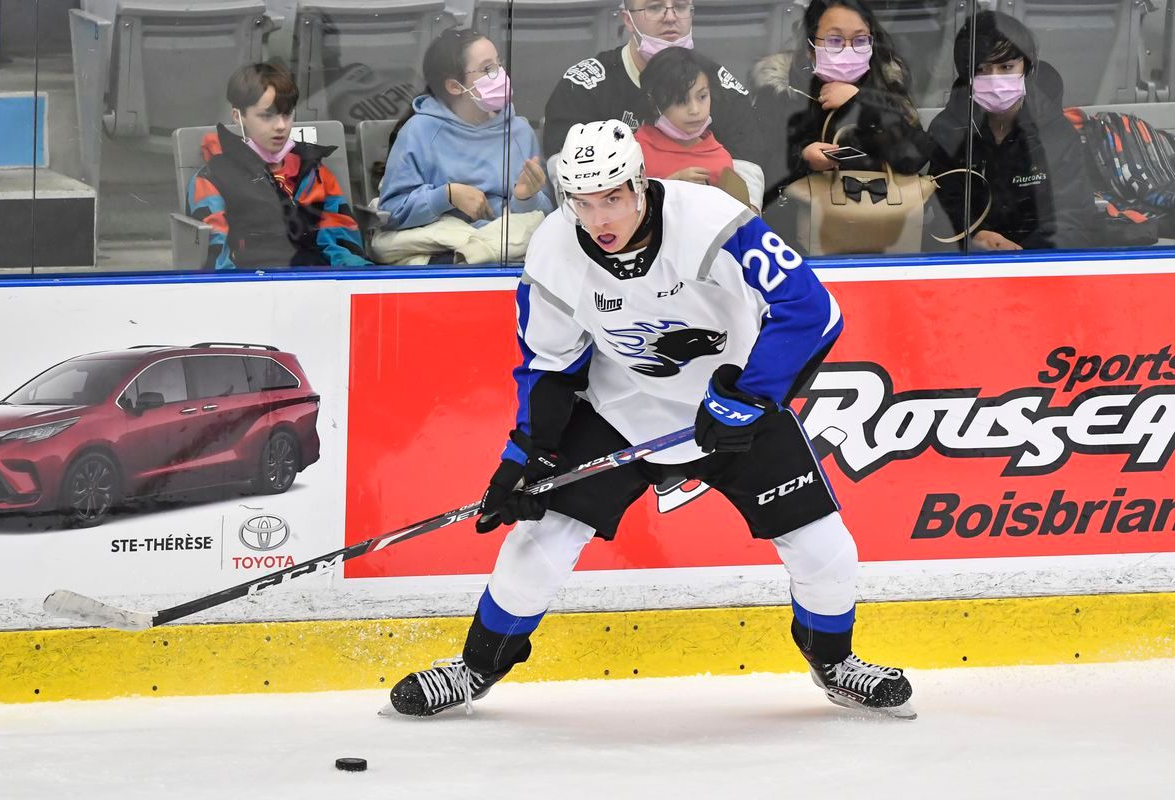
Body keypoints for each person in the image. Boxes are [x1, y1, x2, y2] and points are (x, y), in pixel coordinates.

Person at [387, 119, 915, 720]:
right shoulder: (555, 249)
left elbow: (810, 309)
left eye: (613, 197)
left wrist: (747, 398)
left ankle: (835, 663)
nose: (601, 218)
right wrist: (524, 455)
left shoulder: (709, 219)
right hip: (623, 407)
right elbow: (547, 364)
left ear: (640, 183)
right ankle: (475, 668)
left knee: (825, 548)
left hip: (736, 401)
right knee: (539, 540)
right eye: (583, 203)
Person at [543, 1, 766, 205]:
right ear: (627, 19)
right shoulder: (585, 86)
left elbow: (749, 170)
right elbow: (568, 181)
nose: (670, 17)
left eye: (679, 6)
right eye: (654, 7)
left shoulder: (717, 85)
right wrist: (660, 194)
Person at [373, 28, 553, 265]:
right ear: (455, 86)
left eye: (499, 64)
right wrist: (447, 196)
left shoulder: (520, 131)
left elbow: (548, 215)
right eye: (488, 69)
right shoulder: (419, 131)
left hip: (508, 249)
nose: (500, 75)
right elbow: (392, 213)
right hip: (443, 252)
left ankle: (479, 251)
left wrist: (525, 197)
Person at [928, 11, 1099, 251]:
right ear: (967, 73)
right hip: (969, 264)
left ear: (1026, 67)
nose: (995, 79)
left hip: (1040, 264)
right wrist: (973, 237)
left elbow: (1074, 217)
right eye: (982, 69)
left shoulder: (1055, 131)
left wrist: (1024, 255)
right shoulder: (948, 130)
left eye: (1007, 67)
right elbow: (945, 208)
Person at [187, 63, 372, 271]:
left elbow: (340, 241)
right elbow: (216, 255)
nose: (281, 126)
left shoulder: (314, 172)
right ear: (238, 116)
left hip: (314, 283)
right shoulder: (213, 178)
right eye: (267, 116)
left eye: (287, 114)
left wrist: (358, 276)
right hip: (250, 285)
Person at [752, 0, 931, 202]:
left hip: (880, 220)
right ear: (811, 46)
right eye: (834, 40)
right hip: (805, 221)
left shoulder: (887, 87)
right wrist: (803, 158)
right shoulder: (783, 92)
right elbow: (762, 168)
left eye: (860, 40)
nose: (848, 49)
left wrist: (861, 101)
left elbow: (913, 157)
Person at [635, 47, 755, 208]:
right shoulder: (634, 152)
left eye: (702, 96)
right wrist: (668, 187)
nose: (695, 110)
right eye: (680, 100)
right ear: (653, 101)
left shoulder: (720, 159)